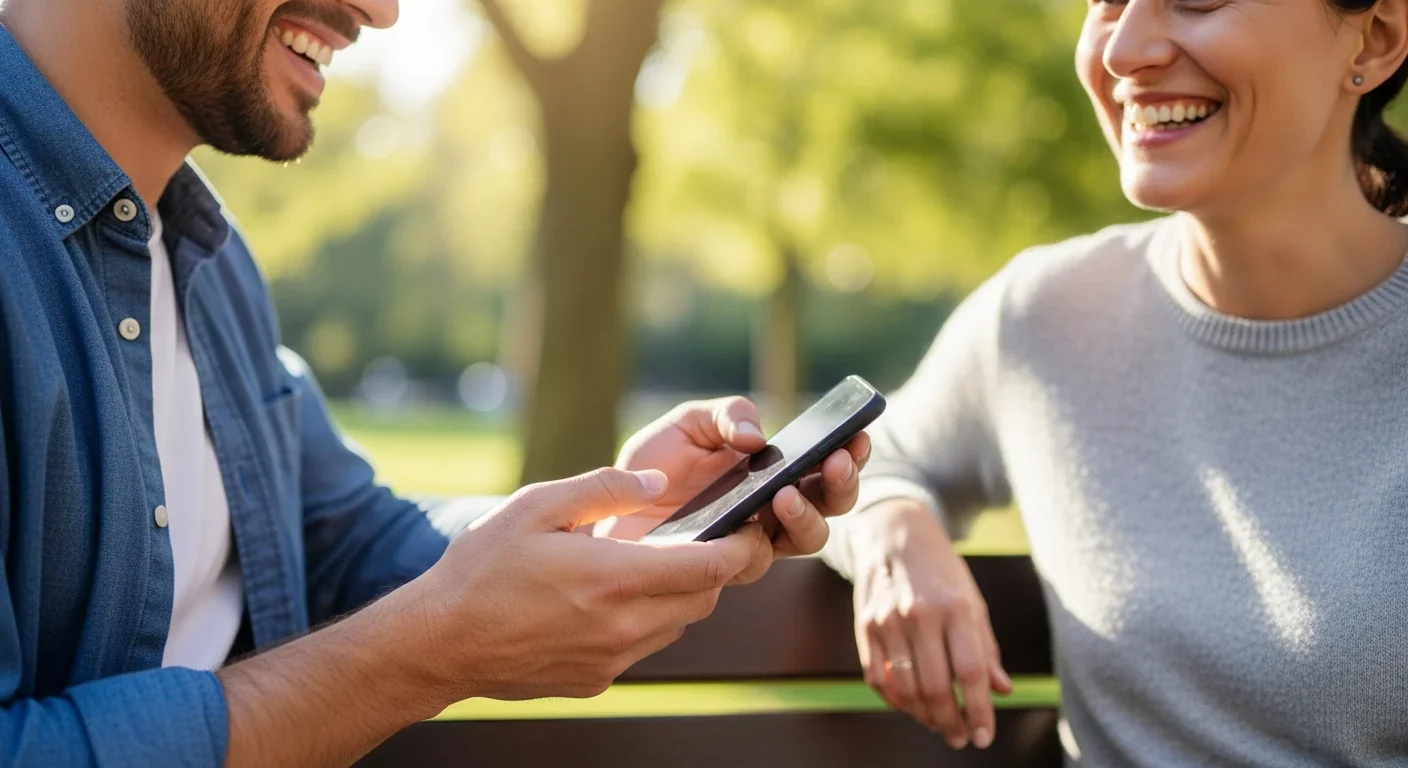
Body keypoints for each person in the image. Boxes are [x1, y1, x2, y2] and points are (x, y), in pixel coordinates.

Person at [0, 0, 872, 765]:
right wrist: (429, 652)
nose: (381, 12)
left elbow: (348, 536)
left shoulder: (206, 262)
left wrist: (610, 518)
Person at [820, 0, 1408, 764]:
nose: (1124, 48)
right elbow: (868, 465)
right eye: (1103, 0)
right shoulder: (1045, 316)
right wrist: (894, 528)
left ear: (1378, 35)